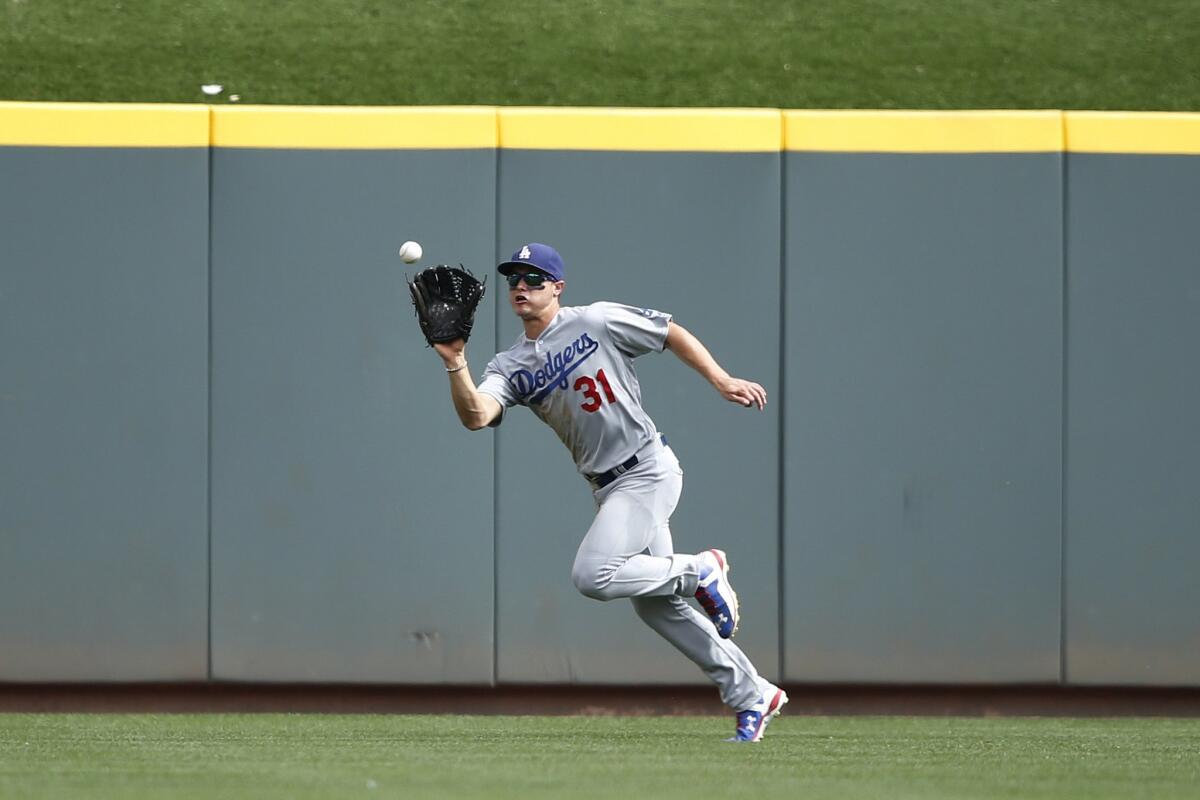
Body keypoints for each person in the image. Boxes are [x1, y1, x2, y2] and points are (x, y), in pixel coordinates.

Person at [431, 242, 787, 742]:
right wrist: (454, 362)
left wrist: (720, 378)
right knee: (657, 606)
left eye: (534, 278)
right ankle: (752, 694)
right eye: (514, 278)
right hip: (608, 487)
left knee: (593, 575)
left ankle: (700, 569)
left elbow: (669, 332)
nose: (521, 287)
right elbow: (475, 415)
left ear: (558, 288)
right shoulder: (508, 364)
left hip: (647, 470)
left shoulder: (595, 321)